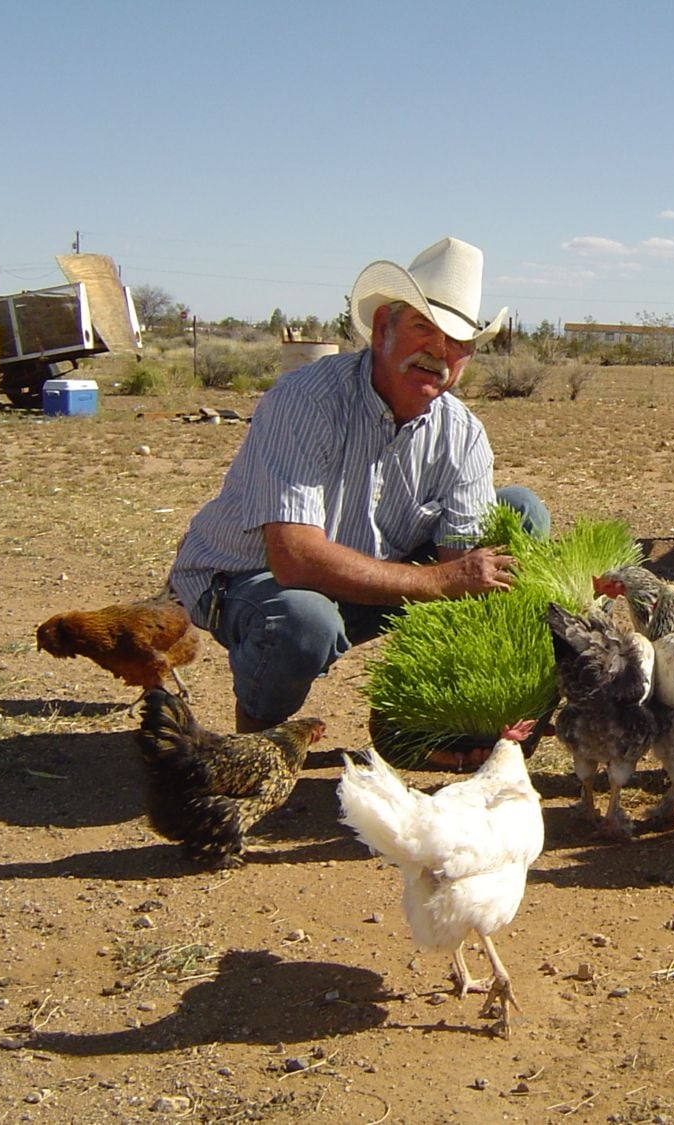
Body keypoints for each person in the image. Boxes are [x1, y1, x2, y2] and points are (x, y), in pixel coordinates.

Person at [169, 237, 549, 758]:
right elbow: (294, 558)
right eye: (424, 328)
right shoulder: (306, 401)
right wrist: (440, 580)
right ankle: (256, 740)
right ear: (382, 327)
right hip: (252, 581)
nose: (439, 352)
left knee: (520, 510)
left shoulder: (462, 434)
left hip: (372, 577)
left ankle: (419, 725)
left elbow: (462, 574)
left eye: (458, 341)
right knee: (303, 621)